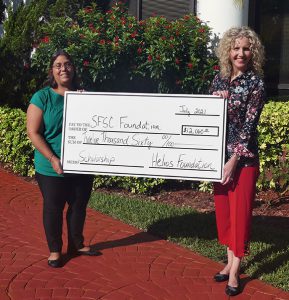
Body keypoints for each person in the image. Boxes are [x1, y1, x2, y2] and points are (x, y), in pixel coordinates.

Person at [27, 50, 101, 268]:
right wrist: (52, 158)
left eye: (67, 64)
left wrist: (89, 104)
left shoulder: (83, 97)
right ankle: (55, 250)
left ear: (74, 68)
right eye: (58, 65)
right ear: (52, 70)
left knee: (79, 206)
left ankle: (77, 244)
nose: (63, 69)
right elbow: (33, 132)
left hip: (81, 163)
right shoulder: (42, 97)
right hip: (51, 166)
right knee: (53, 207)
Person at [209, 27, 266, 296]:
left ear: (252, 52)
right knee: (224, 213)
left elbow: (249, 127)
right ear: (228, 51)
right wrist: (215, 102)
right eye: (235, 48)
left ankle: (235, 271)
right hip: (216, 159)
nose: (240, 53)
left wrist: (233, 161)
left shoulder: (256, 83)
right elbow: (208, 118)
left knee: (240, 214)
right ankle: (228, 260)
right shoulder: (218, 80)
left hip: (242, 160)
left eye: (245, 48)